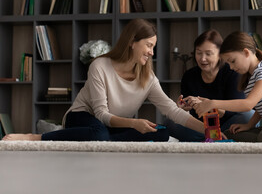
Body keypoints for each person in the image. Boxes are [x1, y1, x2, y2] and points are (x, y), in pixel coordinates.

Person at [2, 19, 204, 142]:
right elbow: (101, 113)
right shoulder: (100, 66)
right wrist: (134, 124)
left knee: (161, 133)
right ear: (132, 43)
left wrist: (208, 130)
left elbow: (172, 110)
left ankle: (104, 139)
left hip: (111, 126)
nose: (152, 52)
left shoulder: (147, 77)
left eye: (153, 47)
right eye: (149, 45)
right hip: (84, 117)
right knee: (99, 132)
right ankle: (36, 137)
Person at [164, 29, 254, 142]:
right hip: (200, 127)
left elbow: (237, 109)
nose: (202, 59)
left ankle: (212, 138)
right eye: (199, 52)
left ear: (220, 54)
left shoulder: (232, 73)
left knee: (248, 115)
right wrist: (183, 108)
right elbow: (188, 115)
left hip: (227, 125)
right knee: (170, 122)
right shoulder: (189, 76)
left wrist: (210, 106)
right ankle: (215, 138)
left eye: (208, 53)